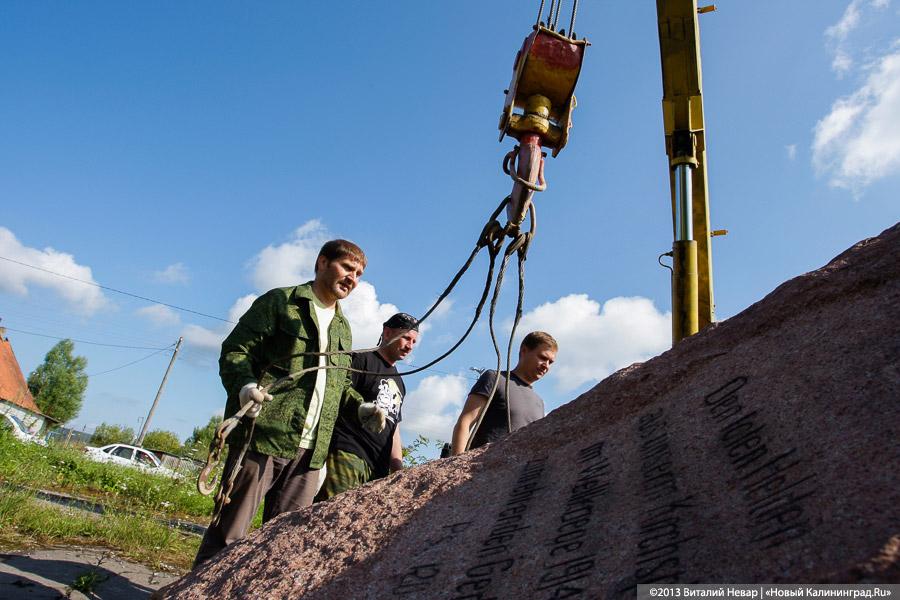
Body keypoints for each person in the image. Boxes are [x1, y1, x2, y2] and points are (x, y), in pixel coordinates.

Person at [193, 239, 385, 567]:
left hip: (311, 453)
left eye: (359, 274)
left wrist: (360, 407)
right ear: (322, 263)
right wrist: (245, 386)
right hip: (264, 436)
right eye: (347, 268)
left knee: (280, 547)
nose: (353, 278)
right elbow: (237, 351)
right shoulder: (282, 302)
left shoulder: (343, 326)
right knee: (229, 534)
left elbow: (336, 384)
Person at [316, 312, 419, 501]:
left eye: (414, 341)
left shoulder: (400, 384)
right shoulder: (361, 360)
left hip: (377, 468)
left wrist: (398, 471)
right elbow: (337, 396)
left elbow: (394, 427)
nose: (410, 346)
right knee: (331, 514)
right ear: (387, 333)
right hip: (349, 453)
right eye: (405, 337)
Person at [450, 331, 557, 455]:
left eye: (551, 362)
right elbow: (465, 421)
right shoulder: (495, 379)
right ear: (524, 351)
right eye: (543, 358)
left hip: (517, 472)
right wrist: (455, 464)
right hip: (480, 467)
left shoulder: (539, 402)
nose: (546, 366)